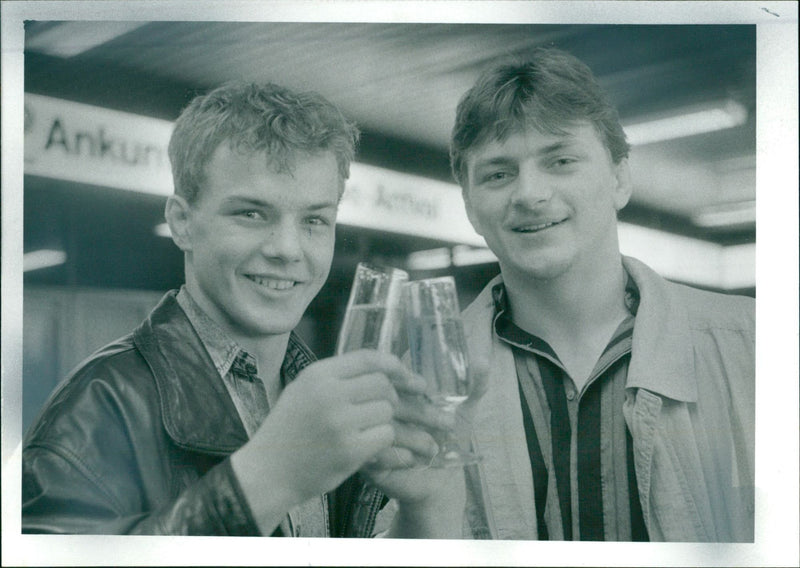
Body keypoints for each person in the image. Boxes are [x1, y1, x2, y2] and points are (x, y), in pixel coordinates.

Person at [21, 81, 464, 537]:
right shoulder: (96, 405)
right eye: (252, 214)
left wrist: (427, 504)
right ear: (182, 223)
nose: (288, 249)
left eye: (314, 220)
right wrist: (267, 478)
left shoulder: (328, 394)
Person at [450, 48, 755, 541]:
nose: (530, 193)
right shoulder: (423, 378)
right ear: (469, 205)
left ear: (619, 177)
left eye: (561, 160)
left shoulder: (759, 346)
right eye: (498, 174)